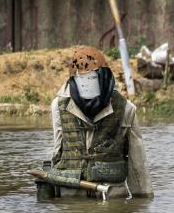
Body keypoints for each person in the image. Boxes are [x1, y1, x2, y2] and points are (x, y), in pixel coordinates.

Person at [40, 46, 153, 199]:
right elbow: (58, 151)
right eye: (82, 79)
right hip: (71, 200)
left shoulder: (126, 109)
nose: (86, 85)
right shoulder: (59, 107)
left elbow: (138, 165)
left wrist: (141, 203)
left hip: (111, 200)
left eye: (92, 78)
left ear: (103, 77)